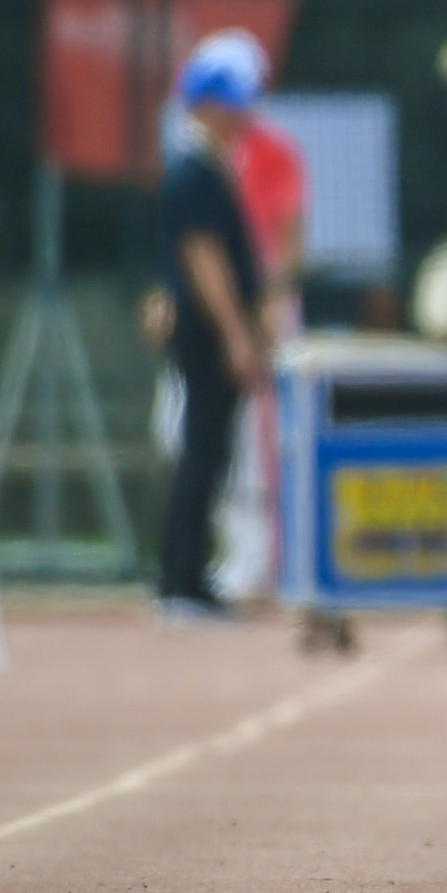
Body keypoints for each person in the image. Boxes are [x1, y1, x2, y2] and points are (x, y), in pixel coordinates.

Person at [155, 38, 275, 622]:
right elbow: (206, 262)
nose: (246, 114)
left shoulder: (206, 166)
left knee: (210, 454)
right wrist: (236, 334)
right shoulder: (195, 172)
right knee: (201, 454)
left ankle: (190, 575)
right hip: (206, 337)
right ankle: (181, 581)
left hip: (209, 332)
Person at [195, 30, 307, 601]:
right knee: (185, 429)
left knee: (258, 438)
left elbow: (290, 241)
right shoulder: (200, 153)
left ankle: (263, 558)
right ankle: (236, 547)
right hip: (210, 315)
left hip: (261, 311)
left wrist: (270, 305)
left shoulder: (272, 151)